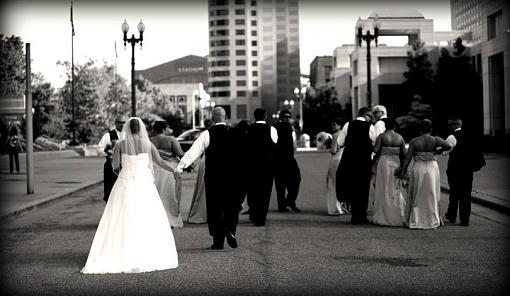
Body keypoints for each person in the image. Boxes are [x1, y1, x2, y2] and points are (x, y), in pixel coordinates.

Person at [81, 117, 178, 274]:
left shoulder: (120, 144)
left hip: (125, 183)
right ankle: (144, 251)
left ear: (126, 128)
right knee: (145, 217)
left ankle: (119, 250)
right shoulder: (147, 144)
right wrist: (175, 170)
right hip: (144, 184)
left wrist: (125, 174)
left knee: (121, 217)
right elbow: (159, 162)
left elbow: (114, 166)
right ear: (140, 129)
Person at [176, 107, 241, 250]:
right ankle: (230, 229)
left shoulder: (207, 134)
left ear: (212, 119)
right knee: (231, 206)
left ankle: (218, 242)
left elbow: (193, 152)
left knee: (215, 207)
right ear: (226, 117)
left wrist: (181, 167)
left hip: (214, 177)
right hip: (233, 177)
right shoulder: (237, 134)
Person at [398, 119, 452, 230]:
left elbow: (408, 157)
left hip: (419, 167)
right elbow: (448, 145)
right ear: (431, 129)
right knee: (432, 192)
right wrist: (438, 150)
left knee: (417, 192)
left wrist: (403, 170)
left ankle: (416, 218)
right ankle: (432, 217)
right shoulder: (435, 139)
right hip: (432, 167)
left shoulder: (414, 141)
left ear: (420, 129)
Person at [336, 107, 377, 224]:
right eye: (370, 116)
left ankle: (355, 215)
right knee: (363, 188)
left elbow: (340, 142)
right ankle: (362, 215)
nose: (371, 118)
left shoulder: (348, 125)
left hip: (349, 160)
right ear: (366, 115)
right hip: (364, 161)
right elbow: (374, 143)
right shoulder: (370, 127)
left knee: (352, 186)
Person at [444, 118, 485, 226]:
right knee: (466, 195)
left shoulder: (451, 137)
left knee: (454, 193)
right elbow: (477, 150)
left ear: (455, 125)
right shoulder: (470, 136)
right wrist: (476, 165)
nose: (448, 126)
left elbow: (444, 152)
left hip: (454, 170)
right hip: (467, 170)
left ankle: (452, 216)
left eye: (450, 124)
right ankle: (464, 219)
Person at [372, 118, 407, 226]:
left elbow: (375, 150)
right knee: (394, 187)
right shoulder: (400, 137)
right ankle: (397, 212)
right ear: (395, 126)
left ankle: (384, 214)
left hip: (384, 162)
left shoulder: (382, 136)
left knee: (383, 188)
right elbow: (404, 153)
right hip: (395, 162)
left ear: (385, 126)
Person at [150, 120, 185, 228]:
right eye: (169, 128)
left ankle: (157, 219)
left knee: (157, 196)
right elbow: (180, 154)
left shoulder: (149, 140)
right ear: (164, 129)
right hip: (170, 170)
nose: (170, 130)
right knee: (171, 196)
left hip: (154, 170)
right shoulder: (171, 139)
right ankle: (171, 219)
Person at [247, 108, 277, 226]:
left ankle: (253, 214)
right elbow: (275, 145)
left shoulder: (248, 129)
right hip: (267, 166)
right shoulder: (271, 129)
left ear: (254, 116)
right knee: (265, 192)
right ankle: (261, 218)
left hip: (251, 165)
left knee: (253, 190)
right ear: (265, 116)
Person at [187, 118, 214, 224]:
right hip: (208, 161)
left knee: (203, 186)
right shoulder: (210, 134)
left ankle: (205, 211)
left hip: (205, 160)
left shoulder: (204, 134)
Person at [273, 110, 301, 213]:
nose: (288, 118)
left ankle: (285, 204)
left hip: (284, 159)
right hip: (283, 159)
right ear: (280, 117)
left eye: (289, 117)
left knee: (283, 183)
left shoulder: (276, 127)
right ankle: (287, 203)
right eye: (285, 117)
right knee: (292, 181)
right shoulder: (283, 127)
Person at [97, 115, 126, 202]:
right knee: (110, 190)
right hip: (110, 167)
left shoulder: (129, 136)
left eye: (124, 122)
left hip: (125, 167)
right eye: (120, 122)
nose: (122, 124)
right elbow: (99, 150)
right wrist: (107, 152)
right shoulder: (107, 136)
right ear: (115, 123)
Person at [325, 118, 349, 216]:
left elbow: (334, 150)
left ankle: (334, 208)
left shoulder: (335, 135)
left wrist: (330, 148)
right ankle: (343, 207)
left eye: (334, 124)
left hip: (336, 160)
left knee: (332, 184)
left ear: (340, 125)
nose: (332, 126)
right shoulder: (346, 134)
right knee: (342, 184)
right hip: (344, 160)